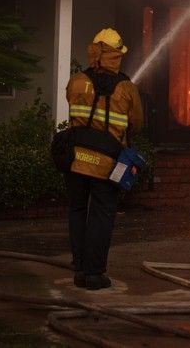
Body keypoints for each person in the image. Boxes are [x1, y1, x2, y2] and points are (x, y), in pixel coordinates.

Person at [65, 27, 144, 290]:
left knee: (77, 211)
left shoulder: (77, 80)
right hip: (106, 164)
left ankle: (79, 269)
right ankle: (94, 274)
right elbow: (136, 125)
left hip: (75, 160)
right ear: (115, 56)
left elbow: (73, 106)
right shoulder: (126, 88)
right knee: (101, 215)